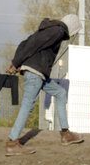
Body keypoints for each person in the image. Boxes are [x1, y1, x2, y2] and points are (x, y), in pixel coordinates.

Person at [5, 13, 84, 155]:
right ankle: (12, 142)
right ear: (72, 27)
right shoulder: (58, 30)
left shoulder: (50, 29)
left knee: (60, 93)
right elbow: (33, 43)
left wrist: (18, 62)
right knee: (28, 105)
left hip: (39, 74)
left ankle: (65, 134)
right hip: (35, 73)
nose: (72, 35)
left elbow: (25, 43)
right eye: (75, 32)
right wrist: (16, 62)